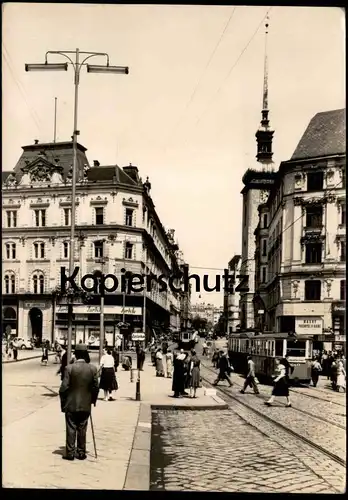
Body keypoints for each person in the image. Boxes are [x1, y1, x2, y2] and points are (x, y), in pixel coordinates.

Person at [59, 344, 99, 461]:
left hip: (71, 404)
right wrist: (92, 400)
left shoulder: (69, 368)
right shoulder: (92, 369)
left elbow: (63, 388)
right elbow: (96, 387)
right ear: (86, 355)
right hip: (85, 404)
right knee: (82, 428)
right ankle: (81, 452)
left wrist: (63, 403)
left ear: (75, 354)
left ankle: (70, 453)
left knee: (71, 428)